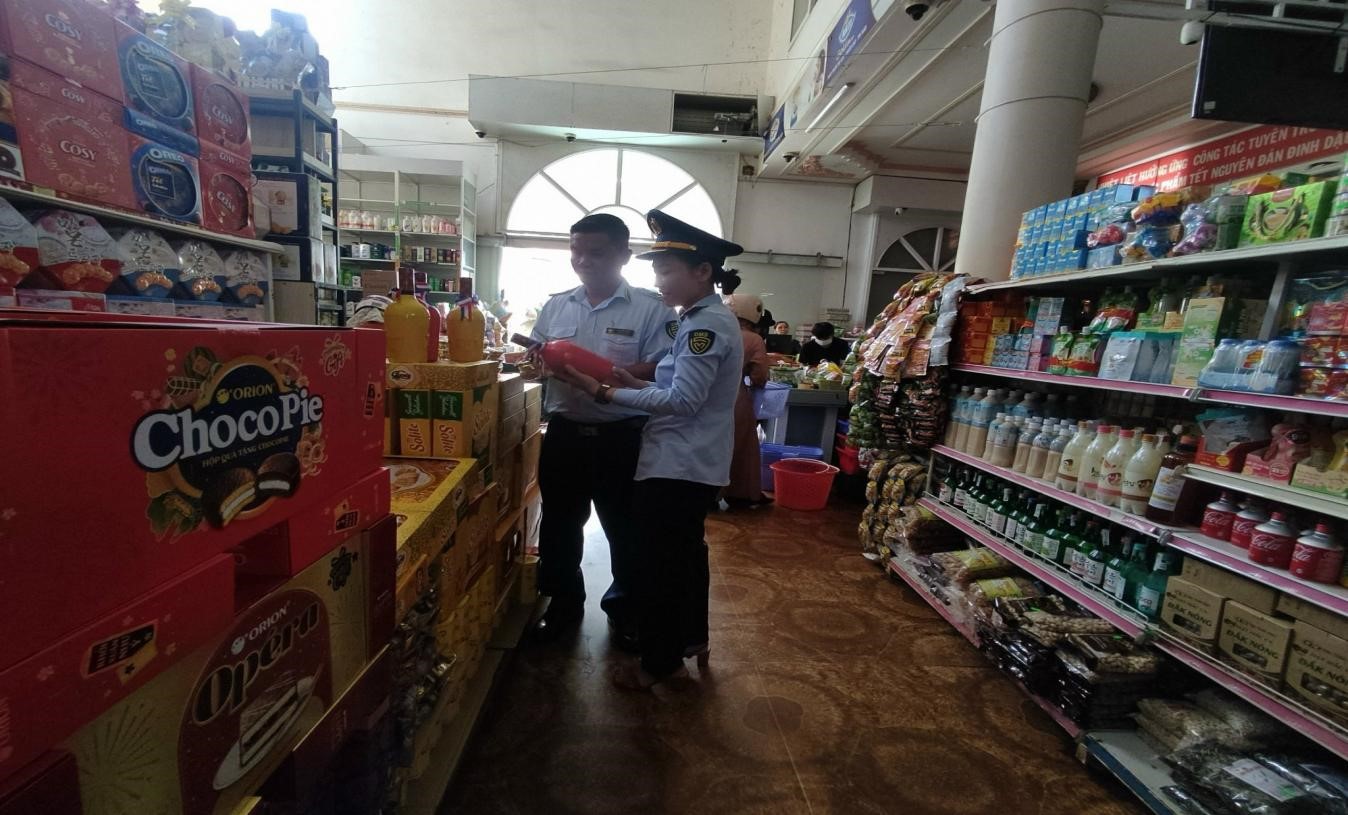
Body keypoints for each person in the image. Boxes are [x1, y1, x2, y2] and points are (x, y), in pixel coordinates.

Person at [556, 210, 743, 690]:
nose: (658, 282)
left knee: (661, 564)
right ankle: (691, 639)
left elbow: (683, 400)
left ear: (702, 271)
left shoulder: (704, 328)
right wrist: (629, 380)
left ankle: (662, 663)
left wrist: (607, 393)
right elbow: (673, 382)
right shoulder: (698, 319)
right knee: (684, 556)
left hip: (679, 463)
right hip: (684, 460)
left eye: (666, 271)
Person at [527, 213, 678, 646]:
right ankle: (563, 604)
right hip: (565, 433)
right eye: (576, 250)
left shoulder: (652, 308)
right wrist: (538, 362)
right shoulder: (557, 305)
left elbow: (661, 367)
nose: (583, 260)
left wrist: (599, 375)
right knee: (559, 525)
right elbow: (538, 355)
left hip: (623, 436)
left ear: (624, 255)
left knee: (626, 528)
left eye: (596, 252)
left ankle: (625, 609)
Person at [724, 294, 770, 506]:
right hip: (735, 396)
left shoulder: (714, 330)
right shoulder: (753, 339)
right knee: (744, 445)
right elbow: (759, 375)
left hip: (699, 394)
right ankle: (740, 494)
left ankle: (707, 495)